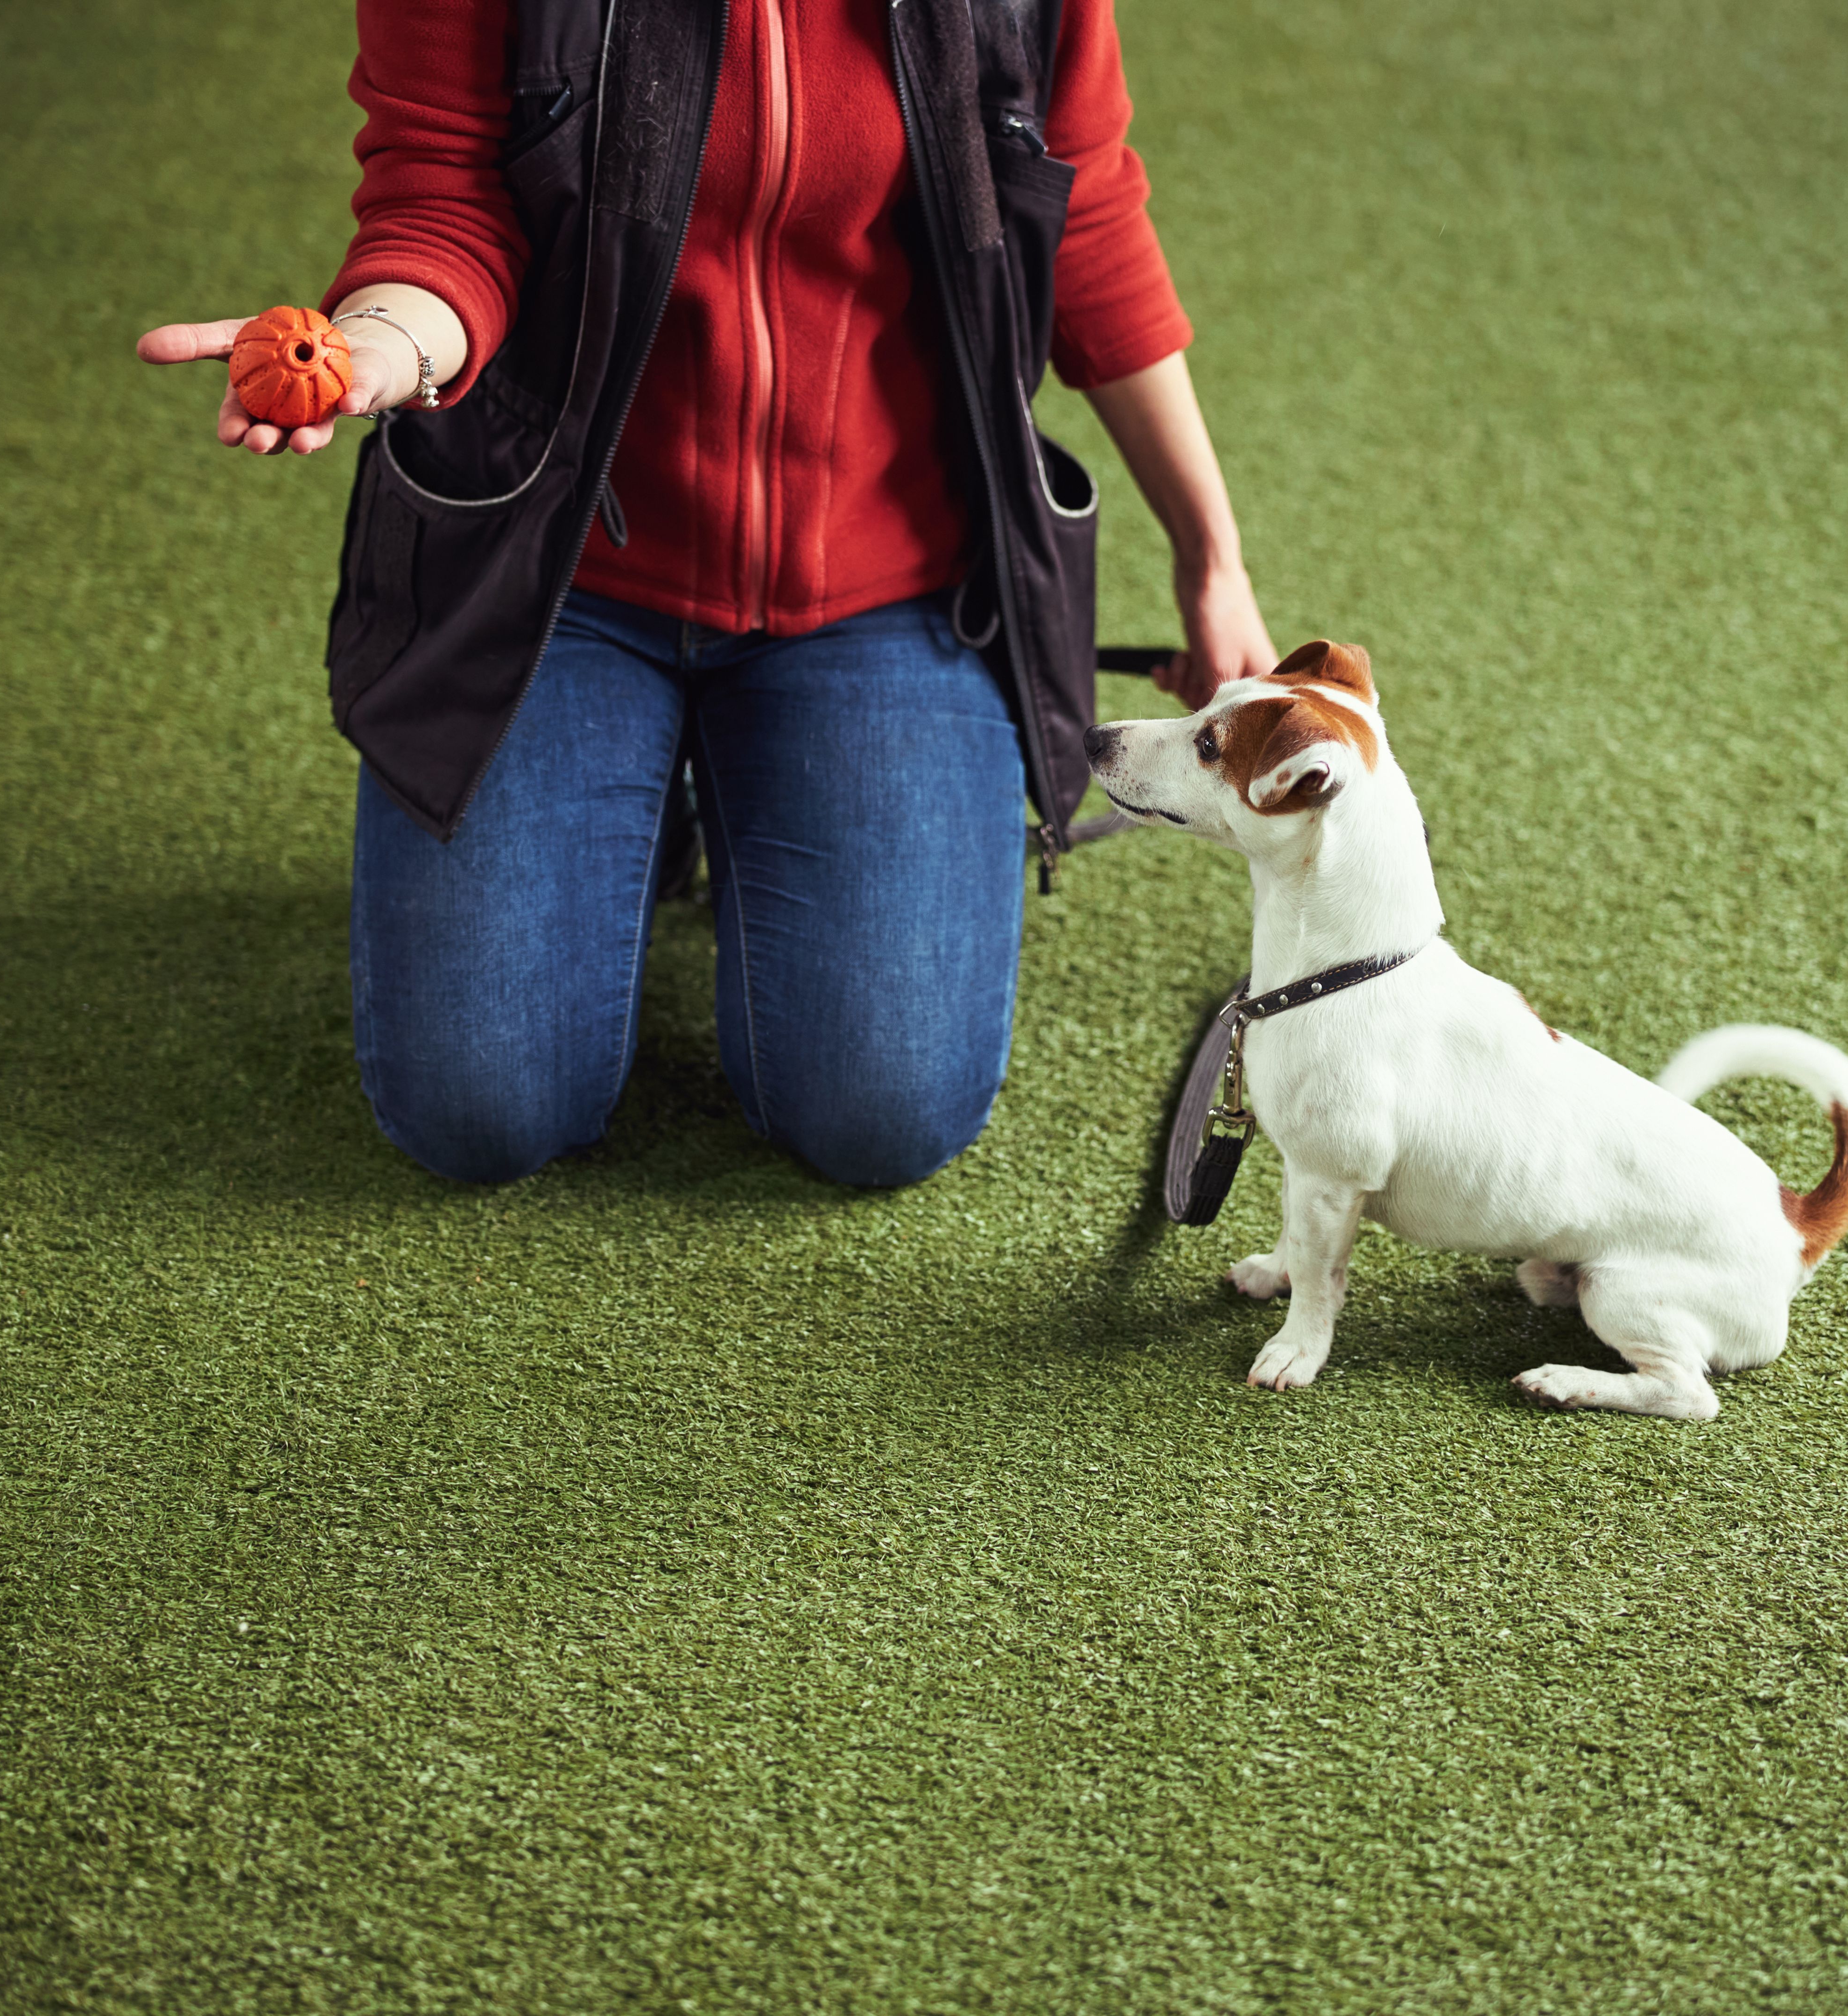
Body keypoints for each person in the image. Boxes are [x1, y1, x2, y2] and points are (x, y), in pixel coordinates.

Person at [139, 0, 1273, 1190]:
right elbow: (444, 204)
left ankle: (746, 786)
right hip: (560, 581)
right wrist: (381, 347)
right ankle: (665, 794)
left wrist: (1214, 560)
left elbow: (1083, 215)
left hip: (886, 585)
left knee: (882, 1114)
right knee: (480, 1110)